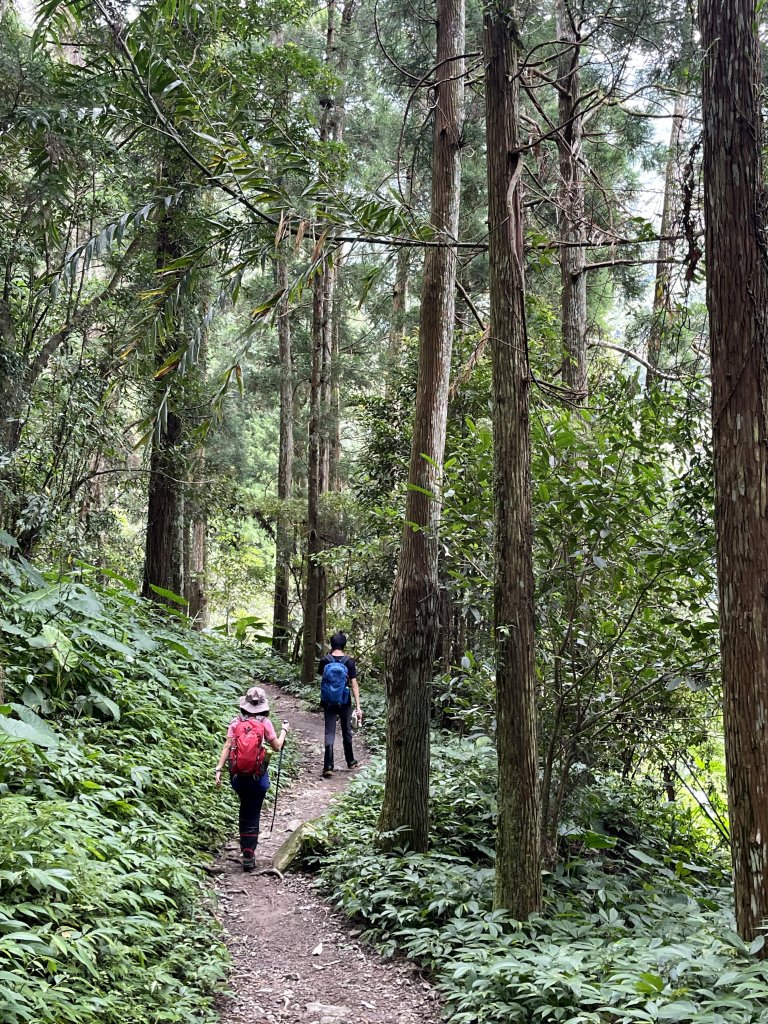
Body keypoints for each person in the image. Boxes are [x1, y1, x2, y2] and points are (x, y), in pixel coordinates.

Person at [214, 685, 290, 872]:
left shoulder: (235, 723)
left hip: (238, 776)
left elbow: (227, 746)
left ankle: (246, 849)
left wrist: (219, 769)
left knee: (244, 807)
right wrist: (285, 731)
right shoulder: (265, 723)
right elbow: (277, 747)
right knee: (253, 810)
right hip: (258, 777)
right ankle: (249, 853)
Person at [318, 631, 362, 779]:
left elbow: (322, 679)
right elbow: (354, 685)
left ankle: (328, 766)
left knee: (329, 731)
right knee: (346, 731)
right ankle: (350, 761)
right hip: (345, 701)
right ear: (344, 645)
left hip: (328, 701)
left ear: (332, 645)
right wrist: (358, 706)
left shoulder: (325, 660)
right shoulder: (349, 662)